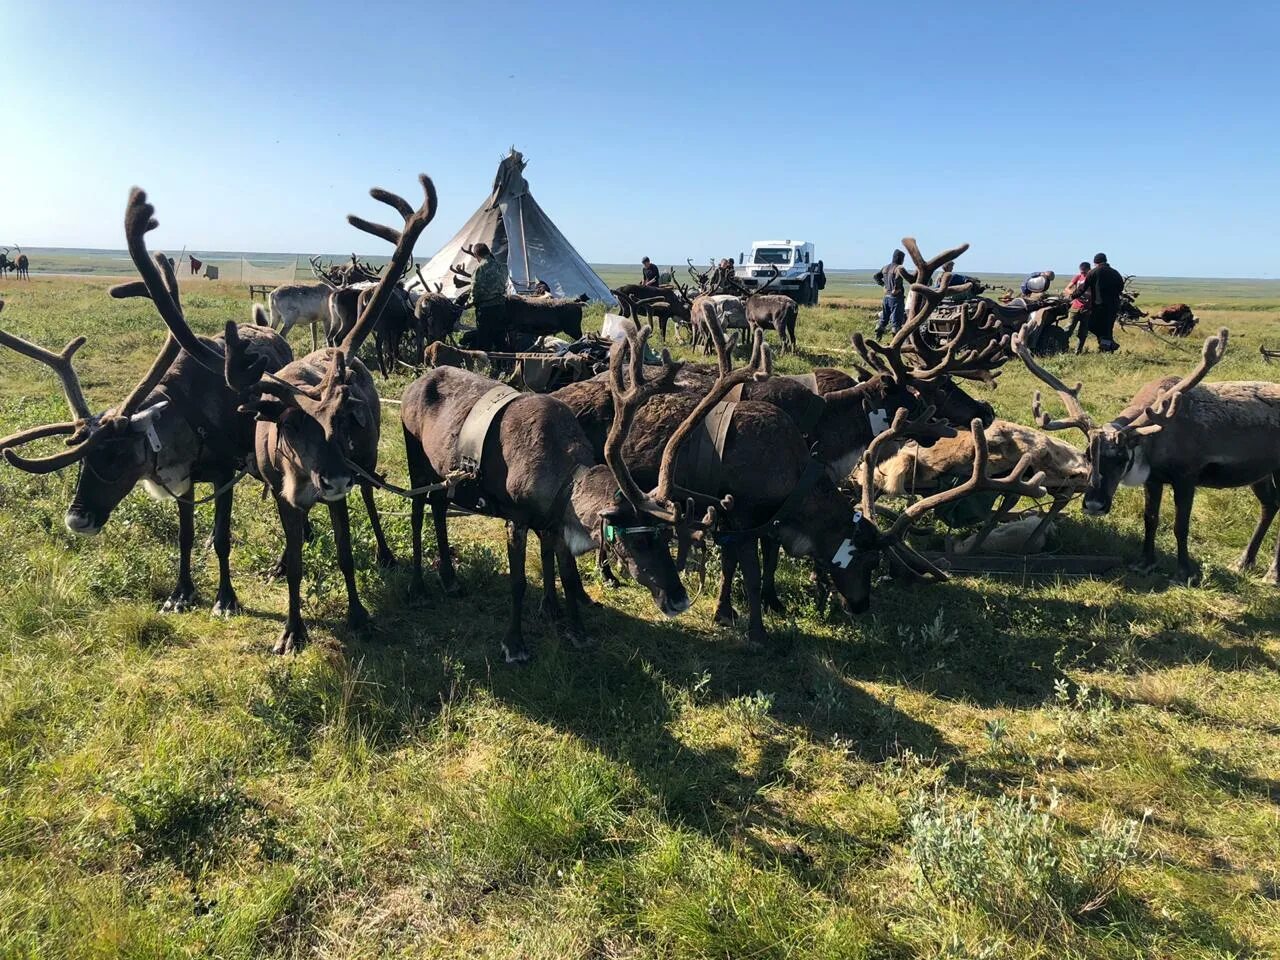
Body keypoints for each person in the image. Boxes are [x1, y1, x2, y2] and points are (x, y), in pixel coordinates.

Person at [1076, 252, 1125, 352]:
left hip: (1099, 306)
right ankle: (1107, 348)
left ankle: (1108, 344)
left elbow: (1082, 289)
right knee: (1107, 328)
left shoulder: (1093, 272)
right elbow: (1121, 287)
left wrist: (1072, 296)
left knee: (1092, 325)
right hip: (1113, 305)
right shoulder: (1115, 272)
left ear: (1095, 262)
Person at [470, 242, 510, 350]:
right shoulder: (500, 266)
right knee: (500, 339)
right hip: (500, 308)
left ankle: (485, 365)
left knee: (484, 340)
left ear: (476, 255)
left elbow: (475, 290)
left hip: (485, 309)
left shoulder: (480, 268)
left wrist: (468, 303)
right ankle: (506, 364)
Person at [873, 249, 916, 336]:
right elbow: (903, 279)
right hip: (896, 298)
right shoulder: (899, 268)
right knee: (897, 320)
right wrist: (896, 288)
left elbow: (876, 276)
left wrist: (883, 285)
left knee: (884, 318)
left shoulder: (885, 267)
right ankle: (895, 343)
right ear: (900, 259)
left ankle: (877, 337)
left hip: (886, 297)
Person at [1064, 260, 1092, 353]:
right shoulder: (1078, 277)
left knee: (1083, 333)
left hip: (1087, 308)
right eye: (1081, 271)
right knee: (1068, 329)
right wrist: (1073, 293)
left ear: (1089, 270)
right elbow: (1067, 288)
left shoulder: (1092, 278)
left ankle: (1078, 351)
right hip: (1076, 306)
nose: (1083, 273)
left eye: (1084, 271)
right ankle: (1063, 347)